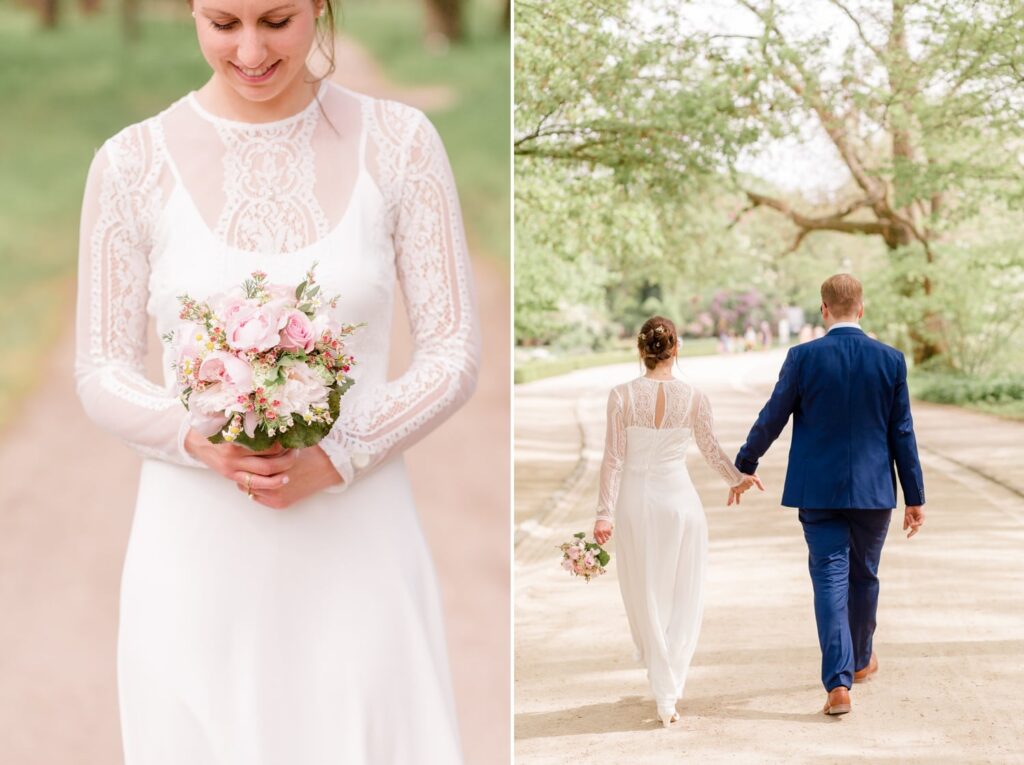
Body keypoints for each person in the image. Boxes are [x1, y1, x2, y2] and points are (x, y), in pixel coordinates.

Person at [74, 1, 479, 760]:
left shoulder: (401, 144)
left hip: (358, 538)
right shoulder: (130, 163)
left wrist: (341, 452)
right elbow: (100, 369)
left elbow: (453, 350)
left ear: (320, 9)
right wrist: (200, 440)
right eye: (224, 24)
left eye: (277, 20)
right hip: (196, 554)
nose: (251, 49)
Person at [732, 274, 925, 716]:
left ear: (824, 310)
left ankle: (839, 683)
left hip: (818, 492)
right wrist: (914, 496)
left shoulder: (803, 357)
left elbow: (772, 416)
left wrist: (745, 463)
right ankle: (859, 661)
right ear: (861, 308)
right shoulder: (891, 360)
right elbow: (903, 432)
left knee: (829, 579)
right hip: (874, 492)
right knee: (865, 576)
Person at [591, 316, 763, 728]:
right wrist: (736, 478)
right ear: (676, 348)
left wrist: (603, 512)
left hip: (636, 503)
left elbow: (613, 459)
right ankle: (668, 690)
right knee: (683, 594)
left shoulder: (621, 397)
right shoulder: (694, 397)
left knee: (645, 589)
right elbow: (710, 448)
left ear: (640, 350)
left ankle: (662, 682)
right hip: (681, 504)